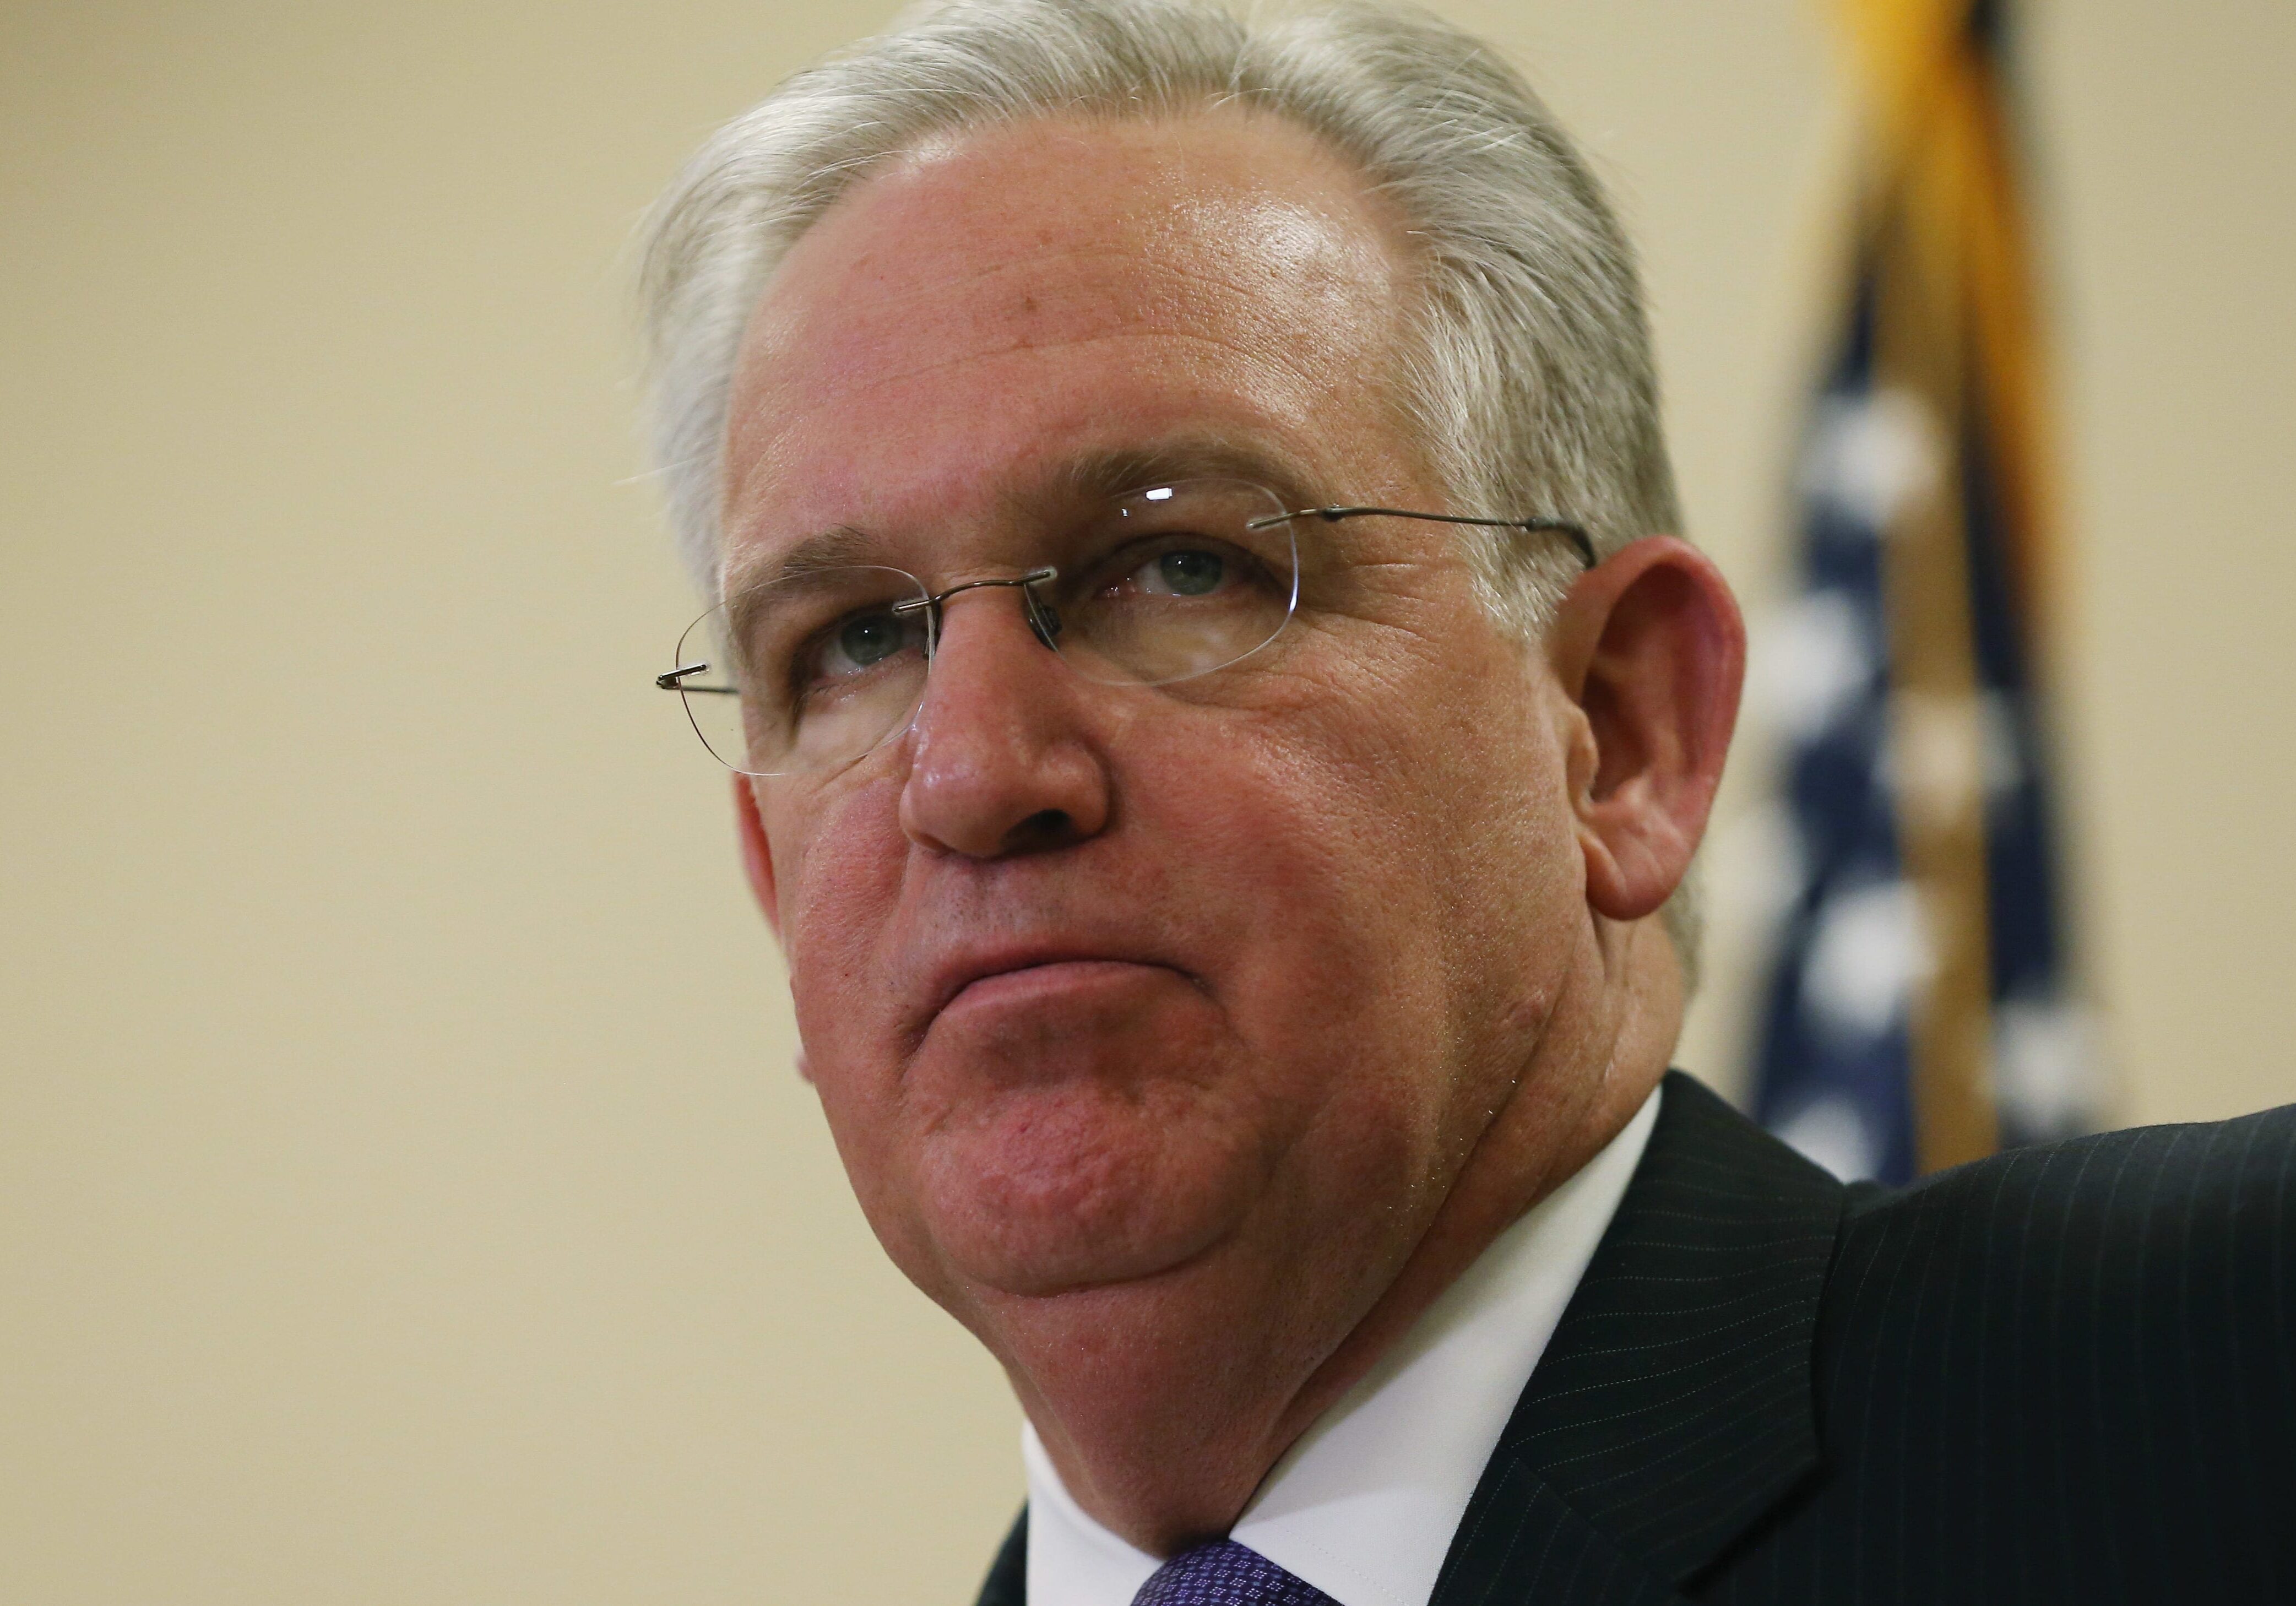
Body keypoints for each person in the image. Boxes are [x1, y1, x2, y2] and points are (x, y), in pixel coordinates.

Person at [636, 2, 2296, 1602]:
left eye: (1182, 565)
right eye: (854, 640)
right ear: (774, 892)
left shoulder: (2224, 1372)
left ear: (1617, 726)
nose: (977, 771)